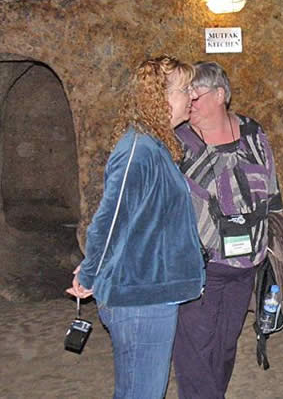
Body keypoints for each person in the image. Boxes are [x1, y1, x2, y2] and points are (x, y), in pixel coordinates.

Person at [65, 56, 206, 398]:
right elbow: (110, 220)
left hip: (151, 290)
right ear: (159, 97)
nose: (193, 96)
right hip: (139, 296)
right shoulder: (138, 150)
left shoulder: (155, 147)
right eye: (185, 89)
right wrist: (89, 275)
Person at [173, 61, 283, 398]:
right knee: (194, 347)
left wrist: (270, 245)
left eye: (196, 96)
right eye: (186, 95)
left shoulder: (252, 133)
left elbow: (272, 190)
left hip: (246, 260)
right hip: (200, 263)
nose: (189, 103)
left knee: (224, 343)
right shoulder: (178, 140)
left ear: (221, 94)